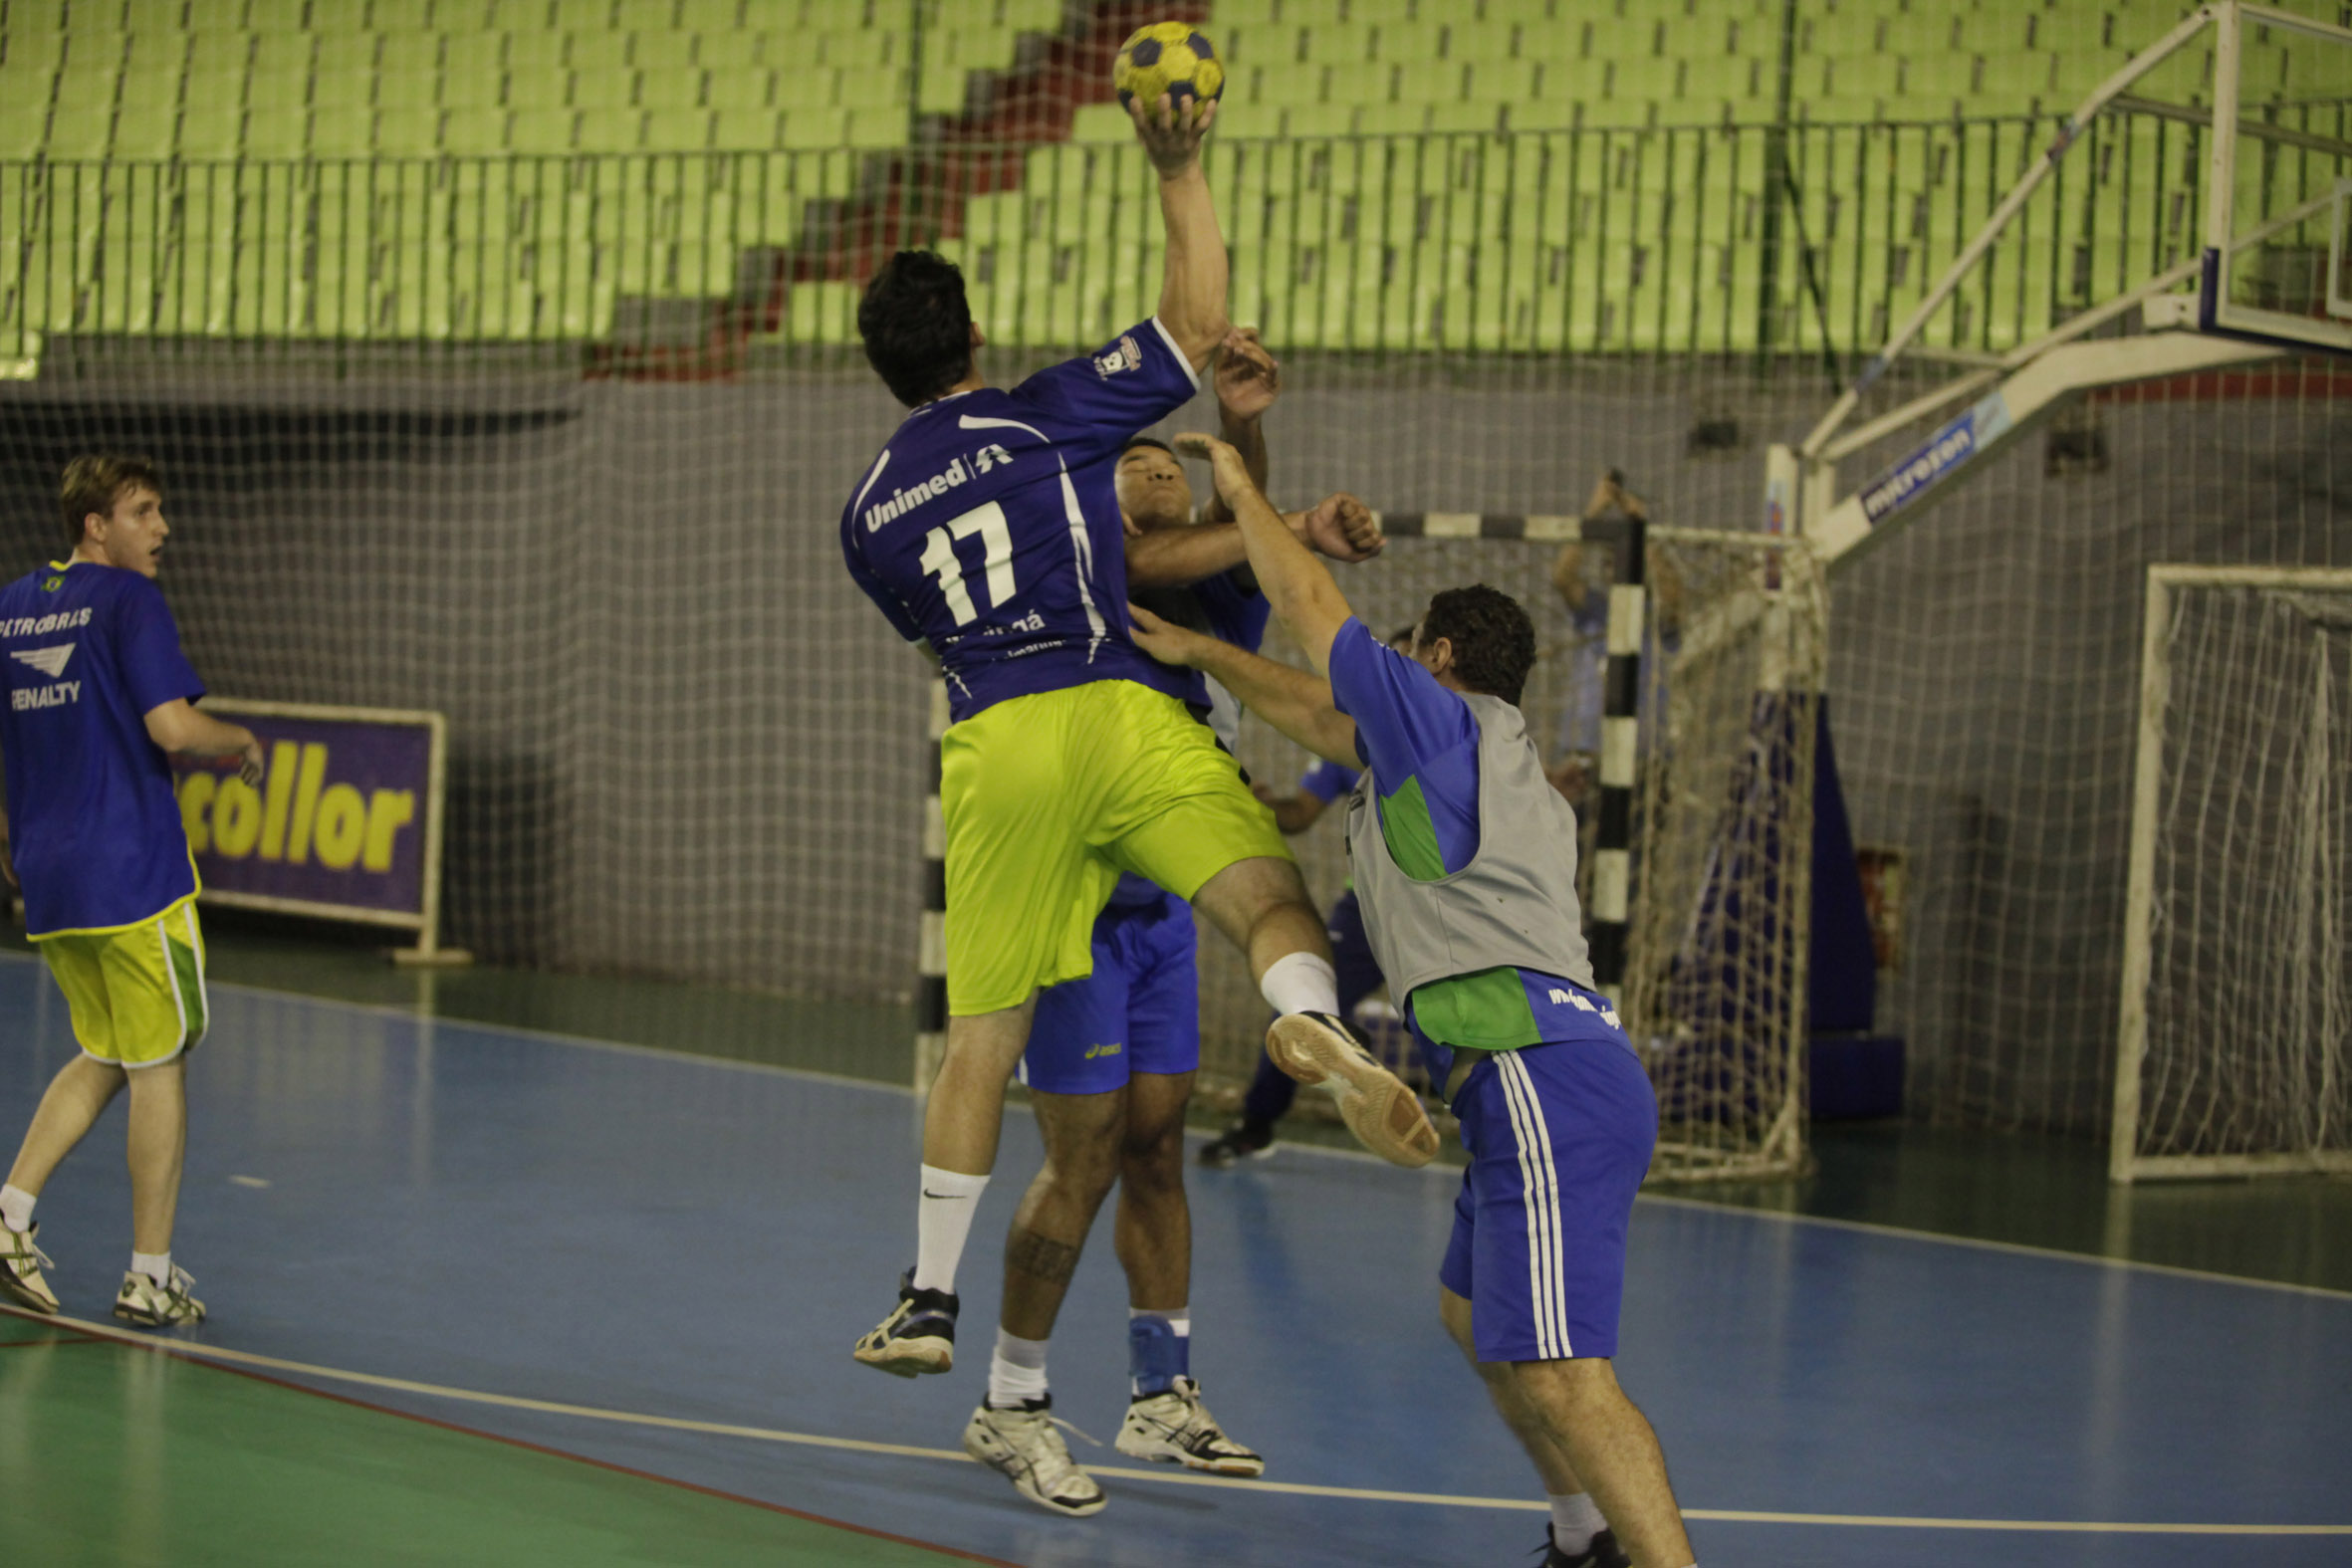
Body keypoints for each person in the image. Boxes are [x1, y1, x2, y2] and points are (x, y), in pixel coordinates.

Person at [838, 92, 1430, 1391]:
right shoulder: (1044, 413)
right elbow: (1197, 314)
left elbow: (927, 631)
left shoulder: (866, 513)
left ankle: (928, 1291)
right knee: (1268, 891)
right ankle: (1311, 1018)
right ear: (974, 340)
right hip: (1112, 699)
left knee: (978, 1036)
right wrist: (1179, 165)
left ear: (883, 369)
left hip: (995, 734)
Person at [1129, 435, 1698, 1568]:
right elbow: (1315, 711)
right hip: (1541, 1074)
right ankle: (1583, 1537)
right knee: (1473, 1318)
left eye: (1397, 653)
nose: (1377, 667)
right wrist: (1195, 647)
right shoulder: (1484, 753)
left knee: (1567, 1375)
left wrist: (1241, 490)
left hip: (1538, 1071)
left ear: (1435, 655)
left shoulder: (1442, 722)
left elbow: (1308, 607)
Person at [960, 333, 1303, 1516]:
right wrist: (1286, 522)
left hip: (1162, 916)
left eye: (1173, 462)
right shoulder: (1083, 564)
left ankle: (1162, 1392)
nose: (1157, 468)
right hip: (1076, 908)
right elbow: (1176, 545)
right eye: (1135, 459)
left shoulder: (1212, 595)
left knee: (1157, 1146)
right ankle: (1010, 1399)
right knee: (1084, 1156)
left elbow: (1237, 526)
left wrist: (1242, 425)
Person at [0, 455, 264, 1330]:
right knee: (159, 1063)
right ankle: (149, 1276)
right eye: (143, 511)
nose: (161, 528)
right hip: (132, 873)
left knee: (109, 1050)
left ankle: (8, 1215)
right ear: (94, 526)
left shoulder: (11, 606)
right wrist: (240, 744)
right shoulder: (128, 602)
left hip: (51, 877)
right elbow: (171, 725)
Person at [1198, 624, 1420, 1170]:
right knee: (1308, 1011)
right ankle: (1255, 1124)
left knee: (1465, 1024)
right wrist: (1256, 804)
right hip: (1367, 913)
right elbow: (1298, 814)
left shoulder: (1456, 738)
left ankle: (1488, 1132)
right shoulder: (1352, 740)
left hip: (1443, 917)